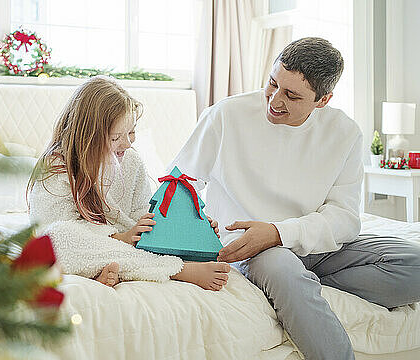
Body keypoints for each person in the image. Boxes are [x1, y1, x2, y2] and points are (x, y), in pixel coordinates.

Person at [170, 37, 420, 360]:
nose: (274, 100)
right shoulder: (226, 115)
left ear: (323, 100)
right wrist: (200, 220)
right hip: (252, 250)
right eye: (272, 84)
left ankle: (302, 285)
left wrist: (278, 232)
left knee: (413, 263)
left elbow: (345, 218)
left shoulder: (345, 133)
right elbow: (176, 184)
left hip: (316, 247)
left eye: (291, 95)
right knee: (283, 267)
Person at [28, 75, 230, 290]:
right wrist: (119, 238)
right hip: (86, 247)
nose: (126, 144)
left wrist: (183, 226)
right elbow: (54, 227)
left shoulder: (131, 160)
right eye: (115, 138)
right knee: (56, 238)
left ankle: (110, 271)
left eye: (132, 132)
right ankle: (179, 270)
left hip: (126, 250)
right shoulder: (55, 167)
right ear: (88, 136)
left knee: (152, 241)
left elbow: (143, 214)